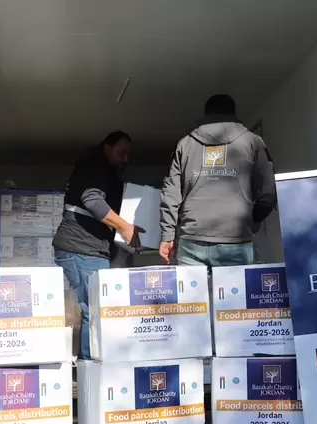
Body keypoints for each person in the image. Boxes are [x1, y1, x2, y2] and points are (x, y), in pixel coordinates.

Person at [159, 94, 277, 267]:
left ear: (206, 115)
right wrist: (251, 220)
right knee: (236, 286)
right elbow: (269, 192)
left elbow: (170, 192)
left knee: (193, 287)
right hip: (236, 238)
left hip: (192, 239)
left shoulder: (185, 144)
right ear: (233, 113)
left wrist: (167, 236)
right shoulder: (253, 141)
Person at [52, 131, 141, 360]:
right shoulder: (95, 166)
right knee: (94, 309)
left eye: (128, 155)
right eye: (121, 152)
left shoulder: (101, 170)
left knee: (97, 308)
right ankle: (90, 366)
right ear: (106, 147)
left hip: (89, 249)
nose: (125, 159)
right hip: (81, 248)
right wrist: (125, 227)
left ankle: (93, 364)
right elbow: (92, 200)